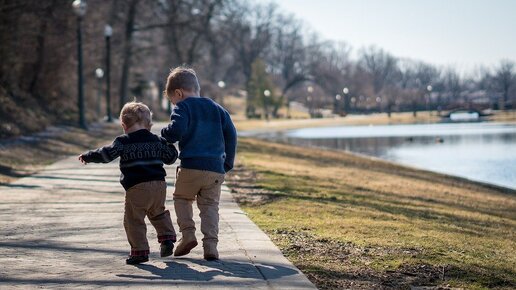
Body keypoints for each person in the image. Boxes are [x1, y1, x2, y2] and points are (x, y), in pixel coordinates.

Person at [79, 101, 178, 265]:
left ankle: (140, 251)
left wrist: (89, 156)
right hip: (159, 185)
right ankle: (167, 239)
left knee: (134, 219)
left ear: (123, 125)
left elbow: (106, 155)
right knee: (158, 212)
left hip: (137, 187)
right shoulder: (157, 140)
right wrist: (170, 145)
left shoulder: (122, 141)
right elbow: (171, 158)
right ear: (149, 125)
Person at [161, 66, 237, 261]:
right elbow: (232, 134)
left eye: (172, 101)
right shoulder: (217, 108)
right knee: (210, 206)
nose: (173, 104)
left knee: (182, 198)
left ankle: (187, 235)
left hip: (191, 166)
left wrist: (165, 134)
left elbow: (176, 131)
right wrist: (227, 162)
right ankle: (211, 246)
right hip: (215, 169)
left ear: (178, 93)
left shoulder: (183, 107)